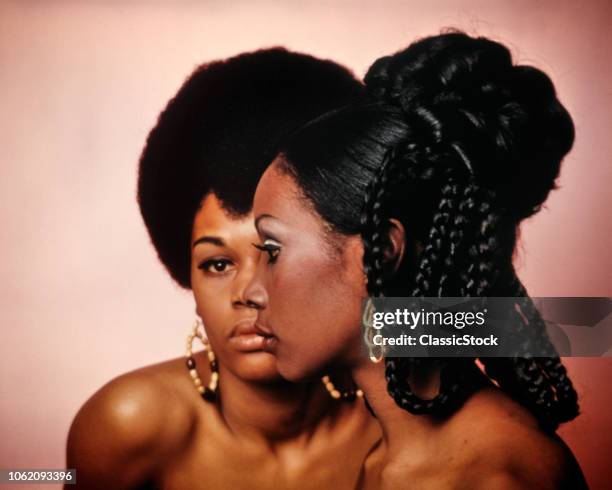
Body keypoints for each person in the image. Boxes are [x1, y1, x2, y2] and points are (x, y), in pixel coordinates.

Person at [246, 33, 587, 488]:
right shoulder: (384, 458)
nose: (251, 292)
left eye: (272, 251)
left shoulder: (497, 478)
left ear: (379, 252)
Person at [65, 48, 381, 490]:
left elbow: (503, 332)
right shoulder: (124, 423)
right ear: (187, 274)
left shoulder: (396, 422)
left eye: (275, 253)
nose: (251, 292)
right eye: (217, 263)